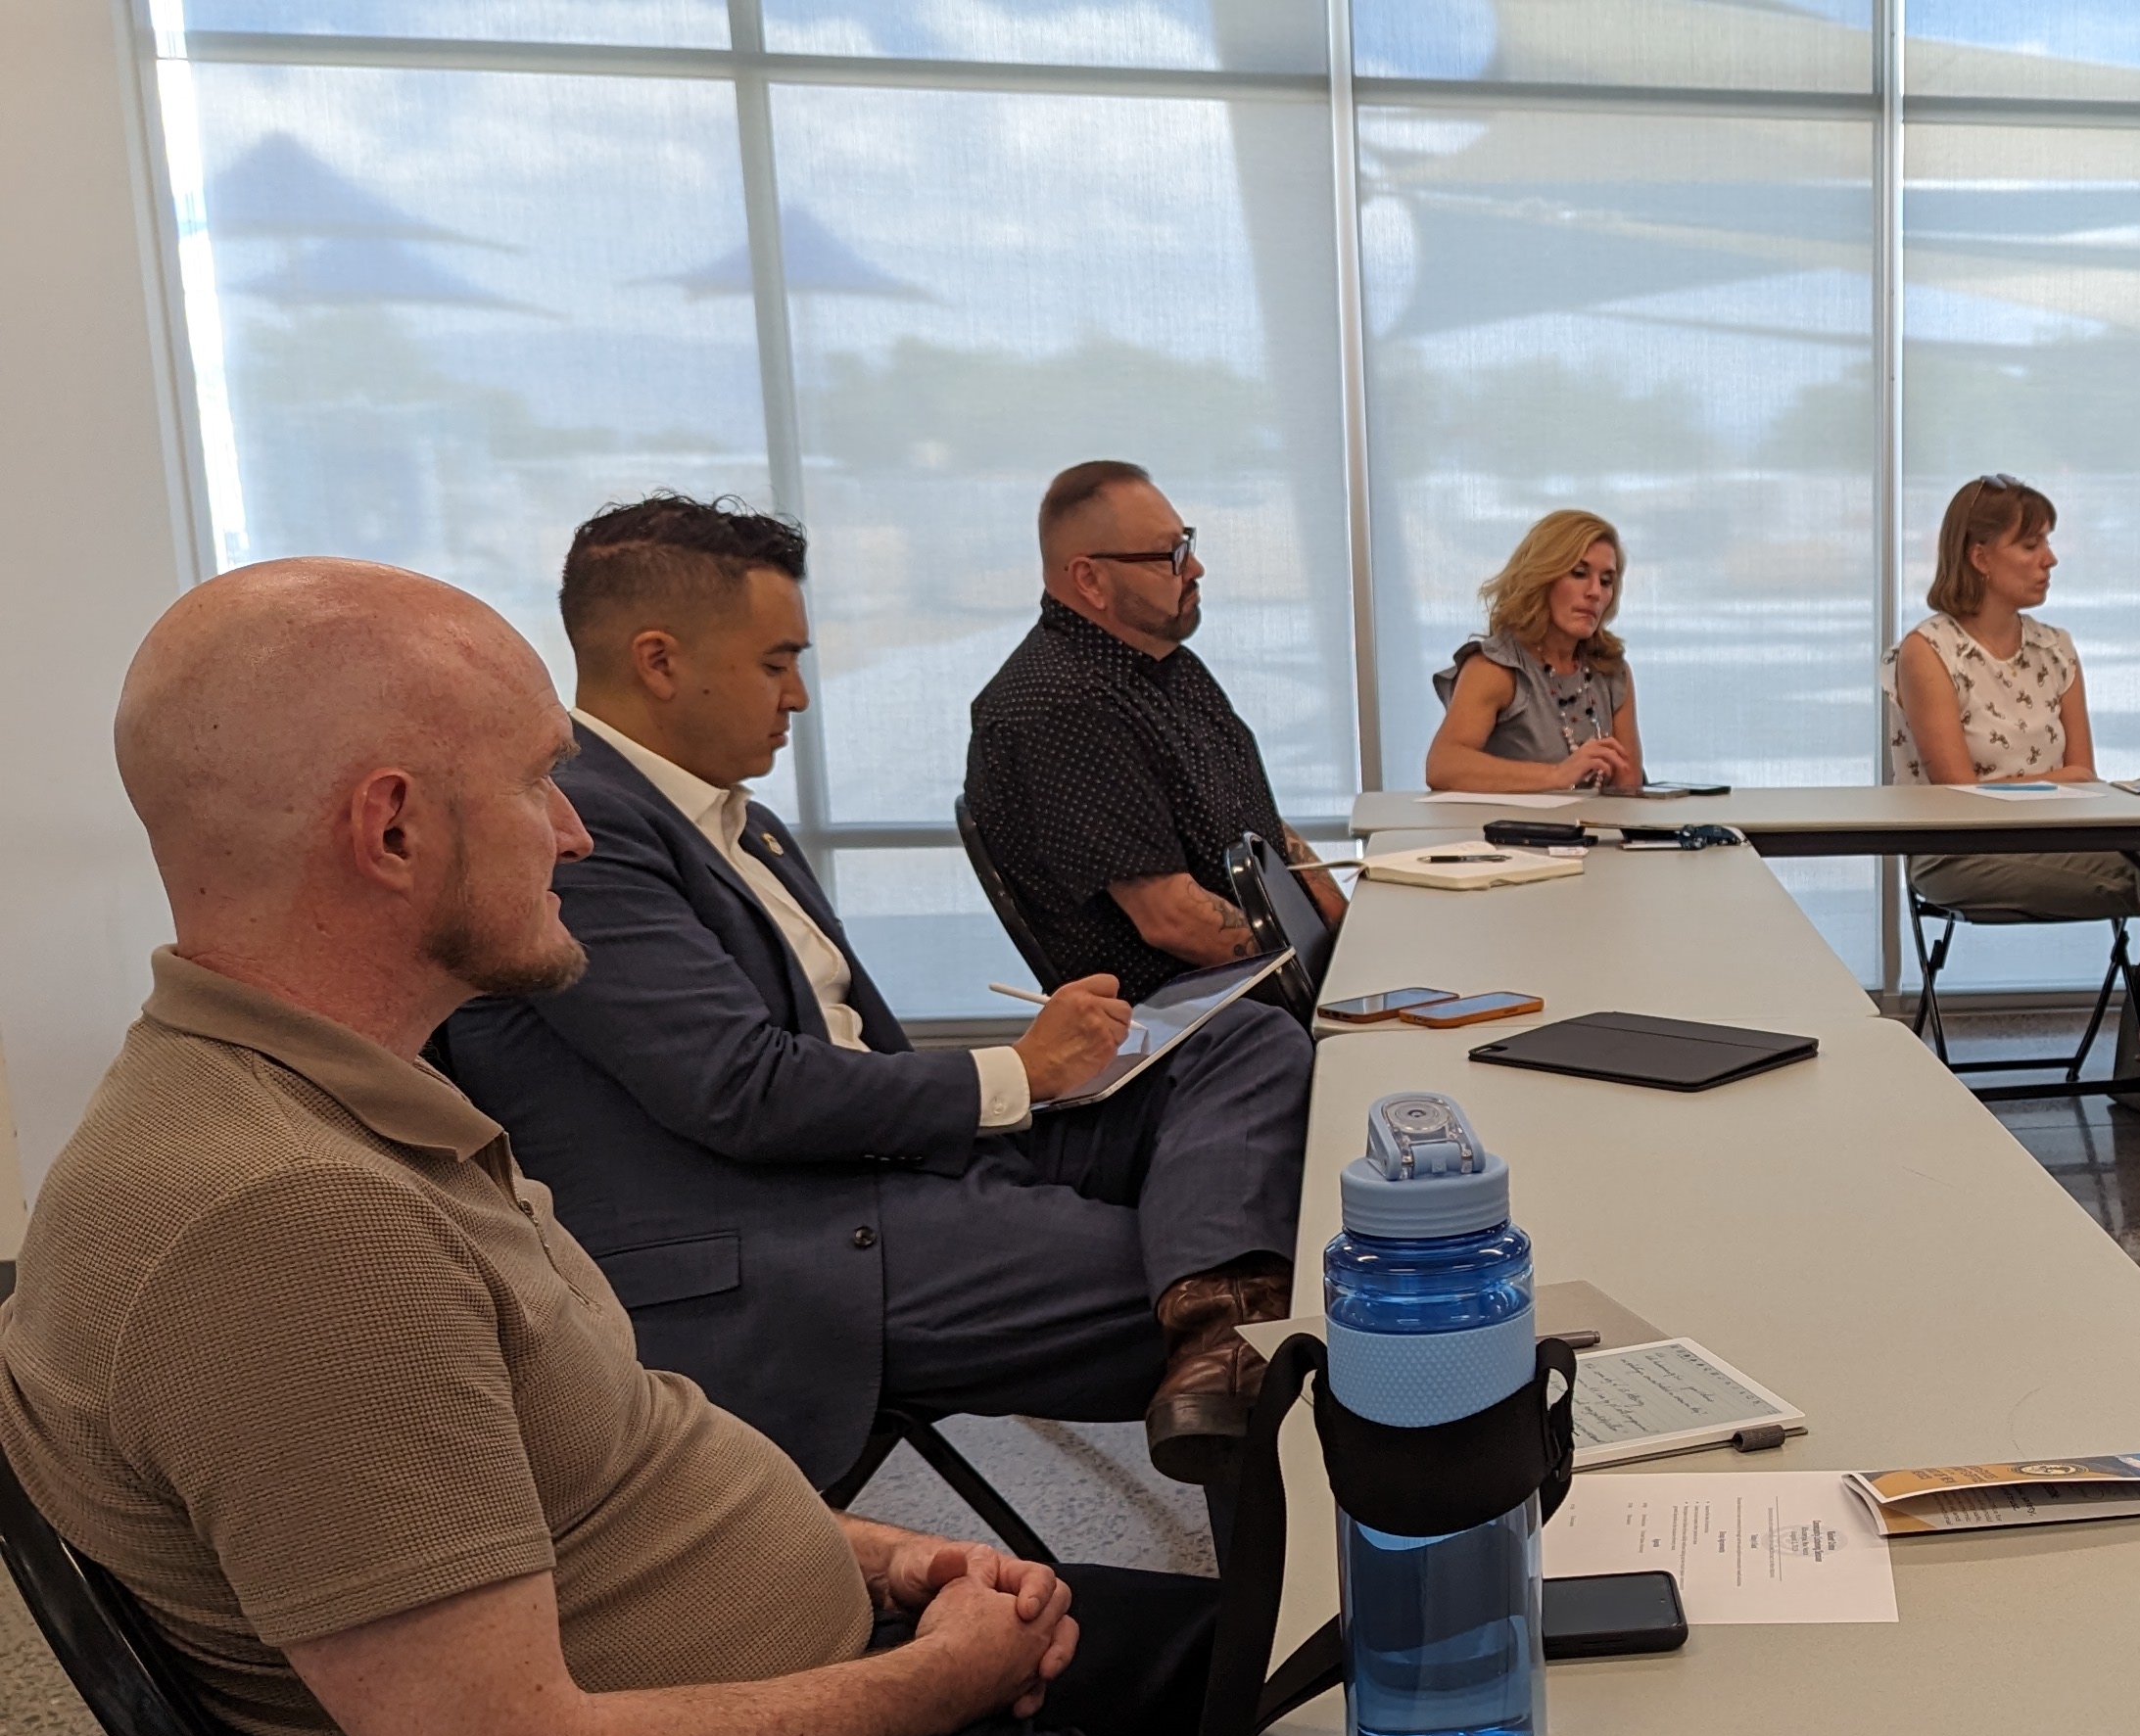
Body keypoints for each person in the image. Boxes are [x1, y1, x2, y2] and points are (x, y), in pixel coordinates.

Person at [1, 556, 1216, 1736]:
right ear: (392, 830)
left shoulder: (347, 1104)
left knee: (1248, 1669)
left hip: (753, 1721)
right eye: (534, 784)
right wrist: (915, 1688)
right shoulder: (278, 1217)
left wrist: (885, 1561)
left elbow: (596, 1463)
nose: (577, 831)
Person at [443, 494, 1308, 1489]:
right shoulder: (579, 837)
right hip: (785, 1239)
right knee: (1281, 1302)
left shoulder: (737, 821)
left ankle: (1213, 1324)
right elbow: (740, 1091)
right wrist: (1015, 1074)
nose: (800, 696)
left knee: (1243, 1041)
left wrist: (1030, 1083)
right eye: (777, 663)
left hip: (878, 1160)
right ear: (660, 661)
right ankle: (1227, 1357)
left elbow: (841, 1059)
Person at [1887, 475, 2140, 1141]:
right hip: (1966, 854)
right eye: (2032, 543)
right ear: (1979, 555)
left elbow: (2089, 774)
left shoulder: (2056, 648)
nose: (2050, 558)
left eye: (2047, 541)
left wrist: (2034, 783)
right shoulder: (1927, 651)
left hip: (2061, 837)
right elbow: (1961, 795)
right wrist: (2054, 780)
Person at [964, 459, 1345, 998]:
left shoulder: (1161, 663)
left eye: (1185, 543)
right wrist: (1322, 977)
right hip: (1196, 1018)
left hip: (1263, 984)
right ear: (1090, 579)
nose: (1195, 569)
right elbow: (1172, 920)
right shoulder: (1062, 706)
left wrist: (1346, 934)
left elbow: (1259, 823)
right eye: (1170, 556)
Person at [1423, 509, 1646, 795]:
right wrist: (1558, 774)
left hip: (1598, 836)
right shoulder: (1496, 668)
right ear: (1542, 578)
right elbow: (1444, 766)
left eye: (1606, 581)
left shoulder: (1611, 669)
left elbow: (1629, 788)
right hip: (1509, 837)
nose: (1595, 592)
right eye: (1579, 574)